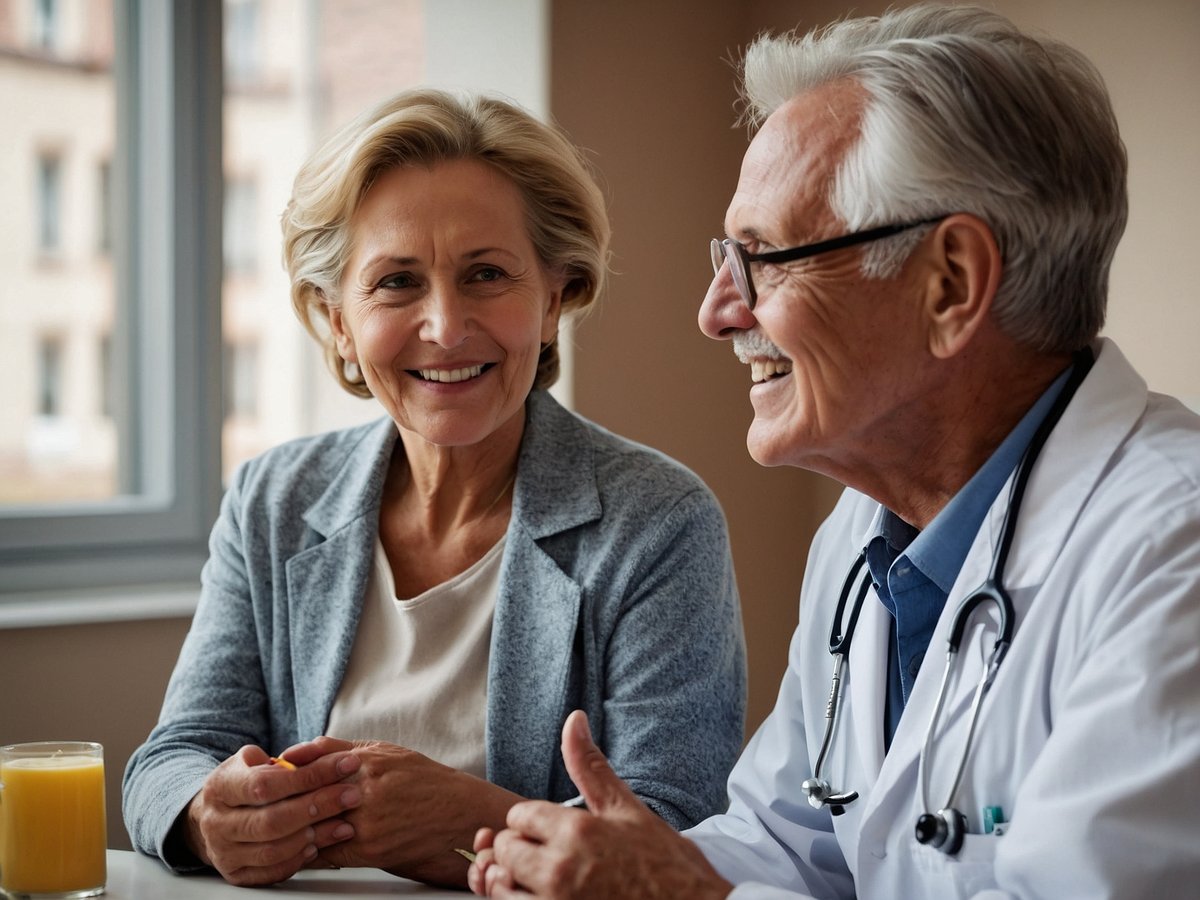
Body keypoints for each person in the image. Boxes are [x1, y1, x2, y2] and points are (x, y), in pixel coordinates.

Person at [467, 5, 1200, 898]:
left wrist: (684, 897)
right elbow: (786, 841)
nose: (718, 311)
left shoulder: (1174, 554)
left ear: (952, 284)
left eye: (765, 258)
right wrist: (593, 866)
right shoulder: (867, 535)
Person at [122, 88, 747, 890]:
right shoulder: (271, 499)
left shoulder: (657, 520)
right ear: (337, 319)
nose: (446, 328)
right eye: (396, 282)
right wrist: (207, 819)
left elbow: (678, 835)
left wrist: (463, 824)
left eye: (487, 273)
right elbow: (170, 760)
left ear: (554, 299)